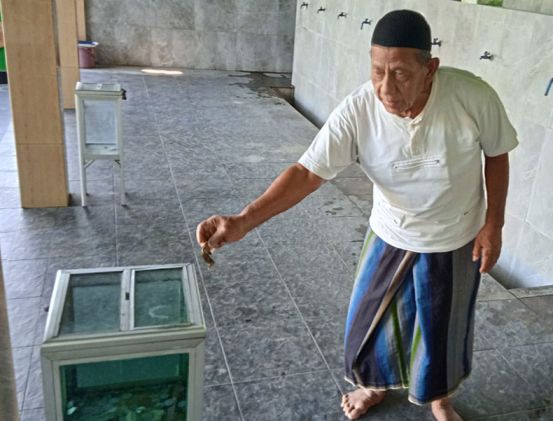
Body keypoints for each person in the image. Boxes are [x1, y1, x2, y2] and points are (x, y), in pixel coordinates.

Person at [197, 9, 518, 421]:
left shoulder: (472, 96)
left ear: (430, 68)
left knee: (443, 330)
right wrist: (242, 220)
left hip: (454, 237)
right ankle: (373, 385)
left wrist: (495, 224)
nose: (386, 87)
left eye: (400, 73)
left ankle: (441, 398)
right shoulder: (359, 109)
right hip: (390, 232)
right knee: (368, 324)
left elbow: (497, 154)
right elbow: (305, 173)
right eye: (377, 71)